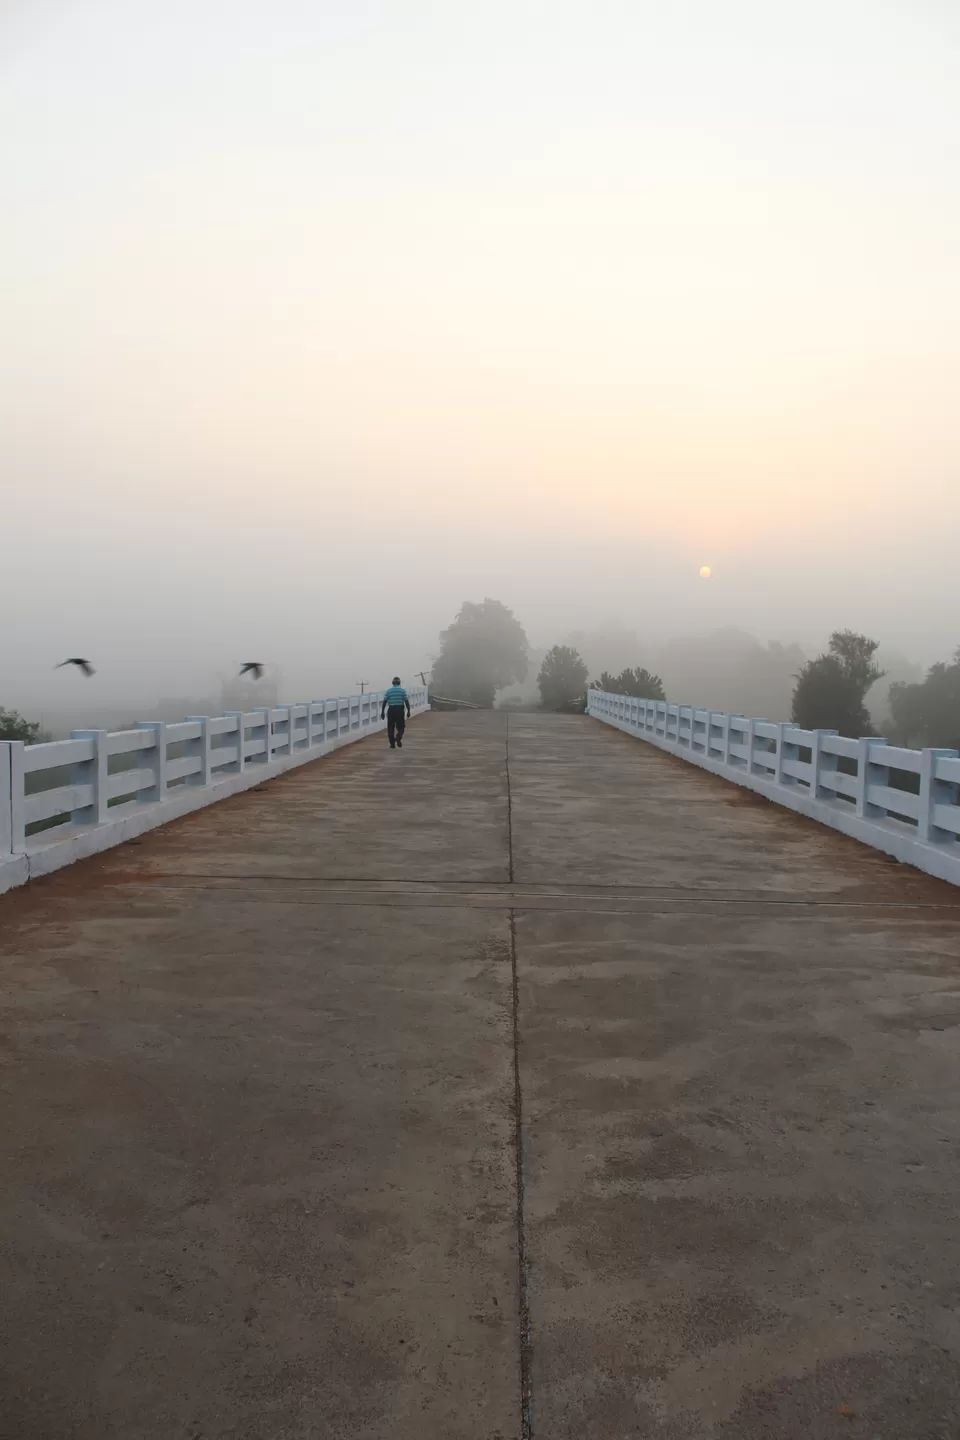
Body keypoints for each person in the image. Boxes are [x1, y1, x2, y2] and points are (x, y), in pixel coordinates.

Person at [381, 676, 411, 749]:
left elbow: (384, 702)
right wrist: (408, 711)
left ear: (392, 683)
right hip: (400, 710)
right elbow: (406, 702)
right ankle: (398, 737)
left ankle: (392, 744)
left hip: (391, 710)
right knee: (401, 726)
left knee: (390, 727)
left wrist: (382, 712)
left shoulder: (388, 691)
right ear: (399, 683)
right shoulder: (402, 691)